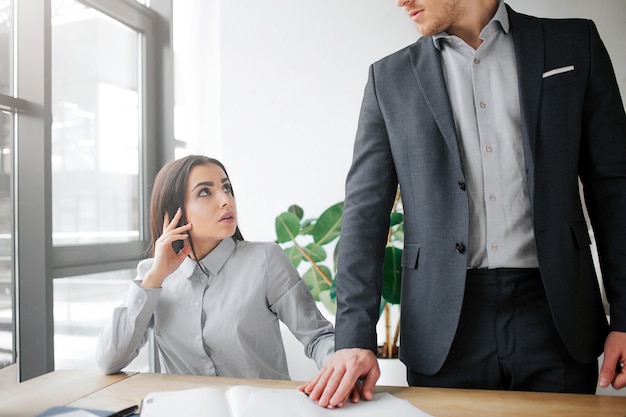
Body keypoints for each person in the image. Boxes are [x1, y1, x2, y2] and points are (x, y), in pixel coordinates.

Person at [299, 0, 626, 408]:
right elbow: (365, 217)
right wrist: (352, 340)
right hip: (444, 327)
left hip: (557, 315)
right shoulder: (389, 78)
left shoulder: (574, 45)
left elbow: (614, 189)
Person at [96, 155, 335, 380]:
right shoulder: (153, 275)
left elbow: (318, 337)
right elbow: (110, 360)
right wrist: (155, 277)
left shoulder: (265, 259)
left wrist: (342, 374)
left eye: (226, 188)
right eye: (204, 192)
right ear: (174, 213)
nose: (225, 200)